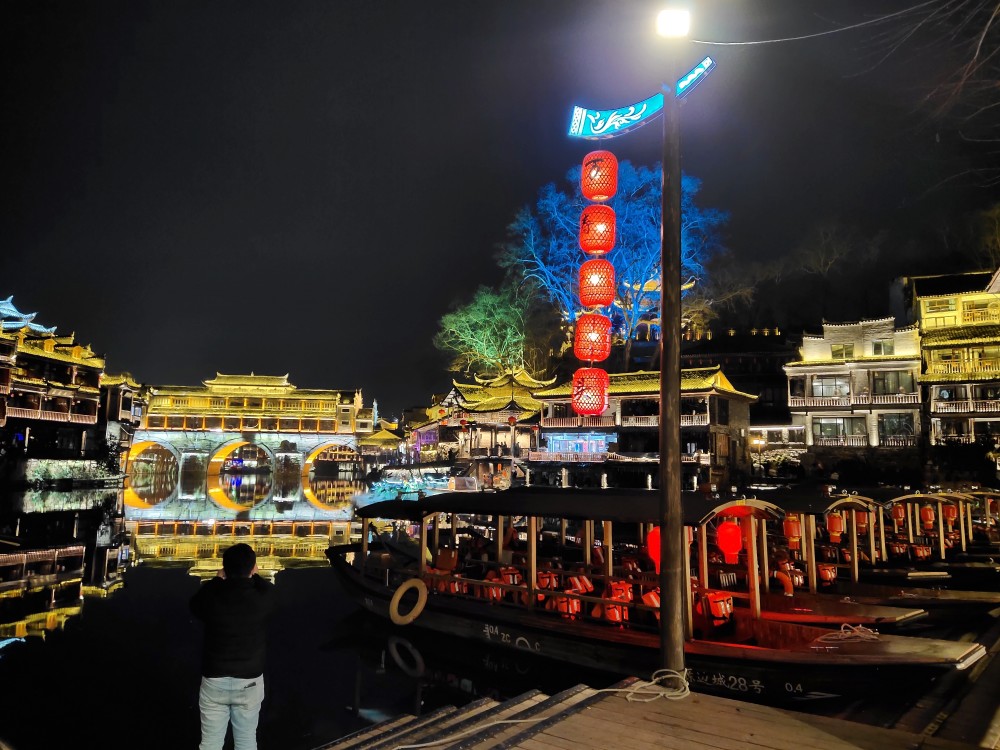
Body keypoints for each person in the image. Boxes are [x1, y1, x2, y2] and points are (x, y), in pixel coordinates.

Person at [190, 543, 274, 750]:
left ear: (224, 569)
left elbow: (195, 603)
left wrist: (218, 579)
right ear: (254, 569)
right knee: (246, 741)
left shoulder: (211, 598)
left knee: (210, 743)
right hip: (249, 680)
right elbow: (268, 589)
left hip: (215, 678)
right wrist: (254, 575)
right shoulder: (264, 599)